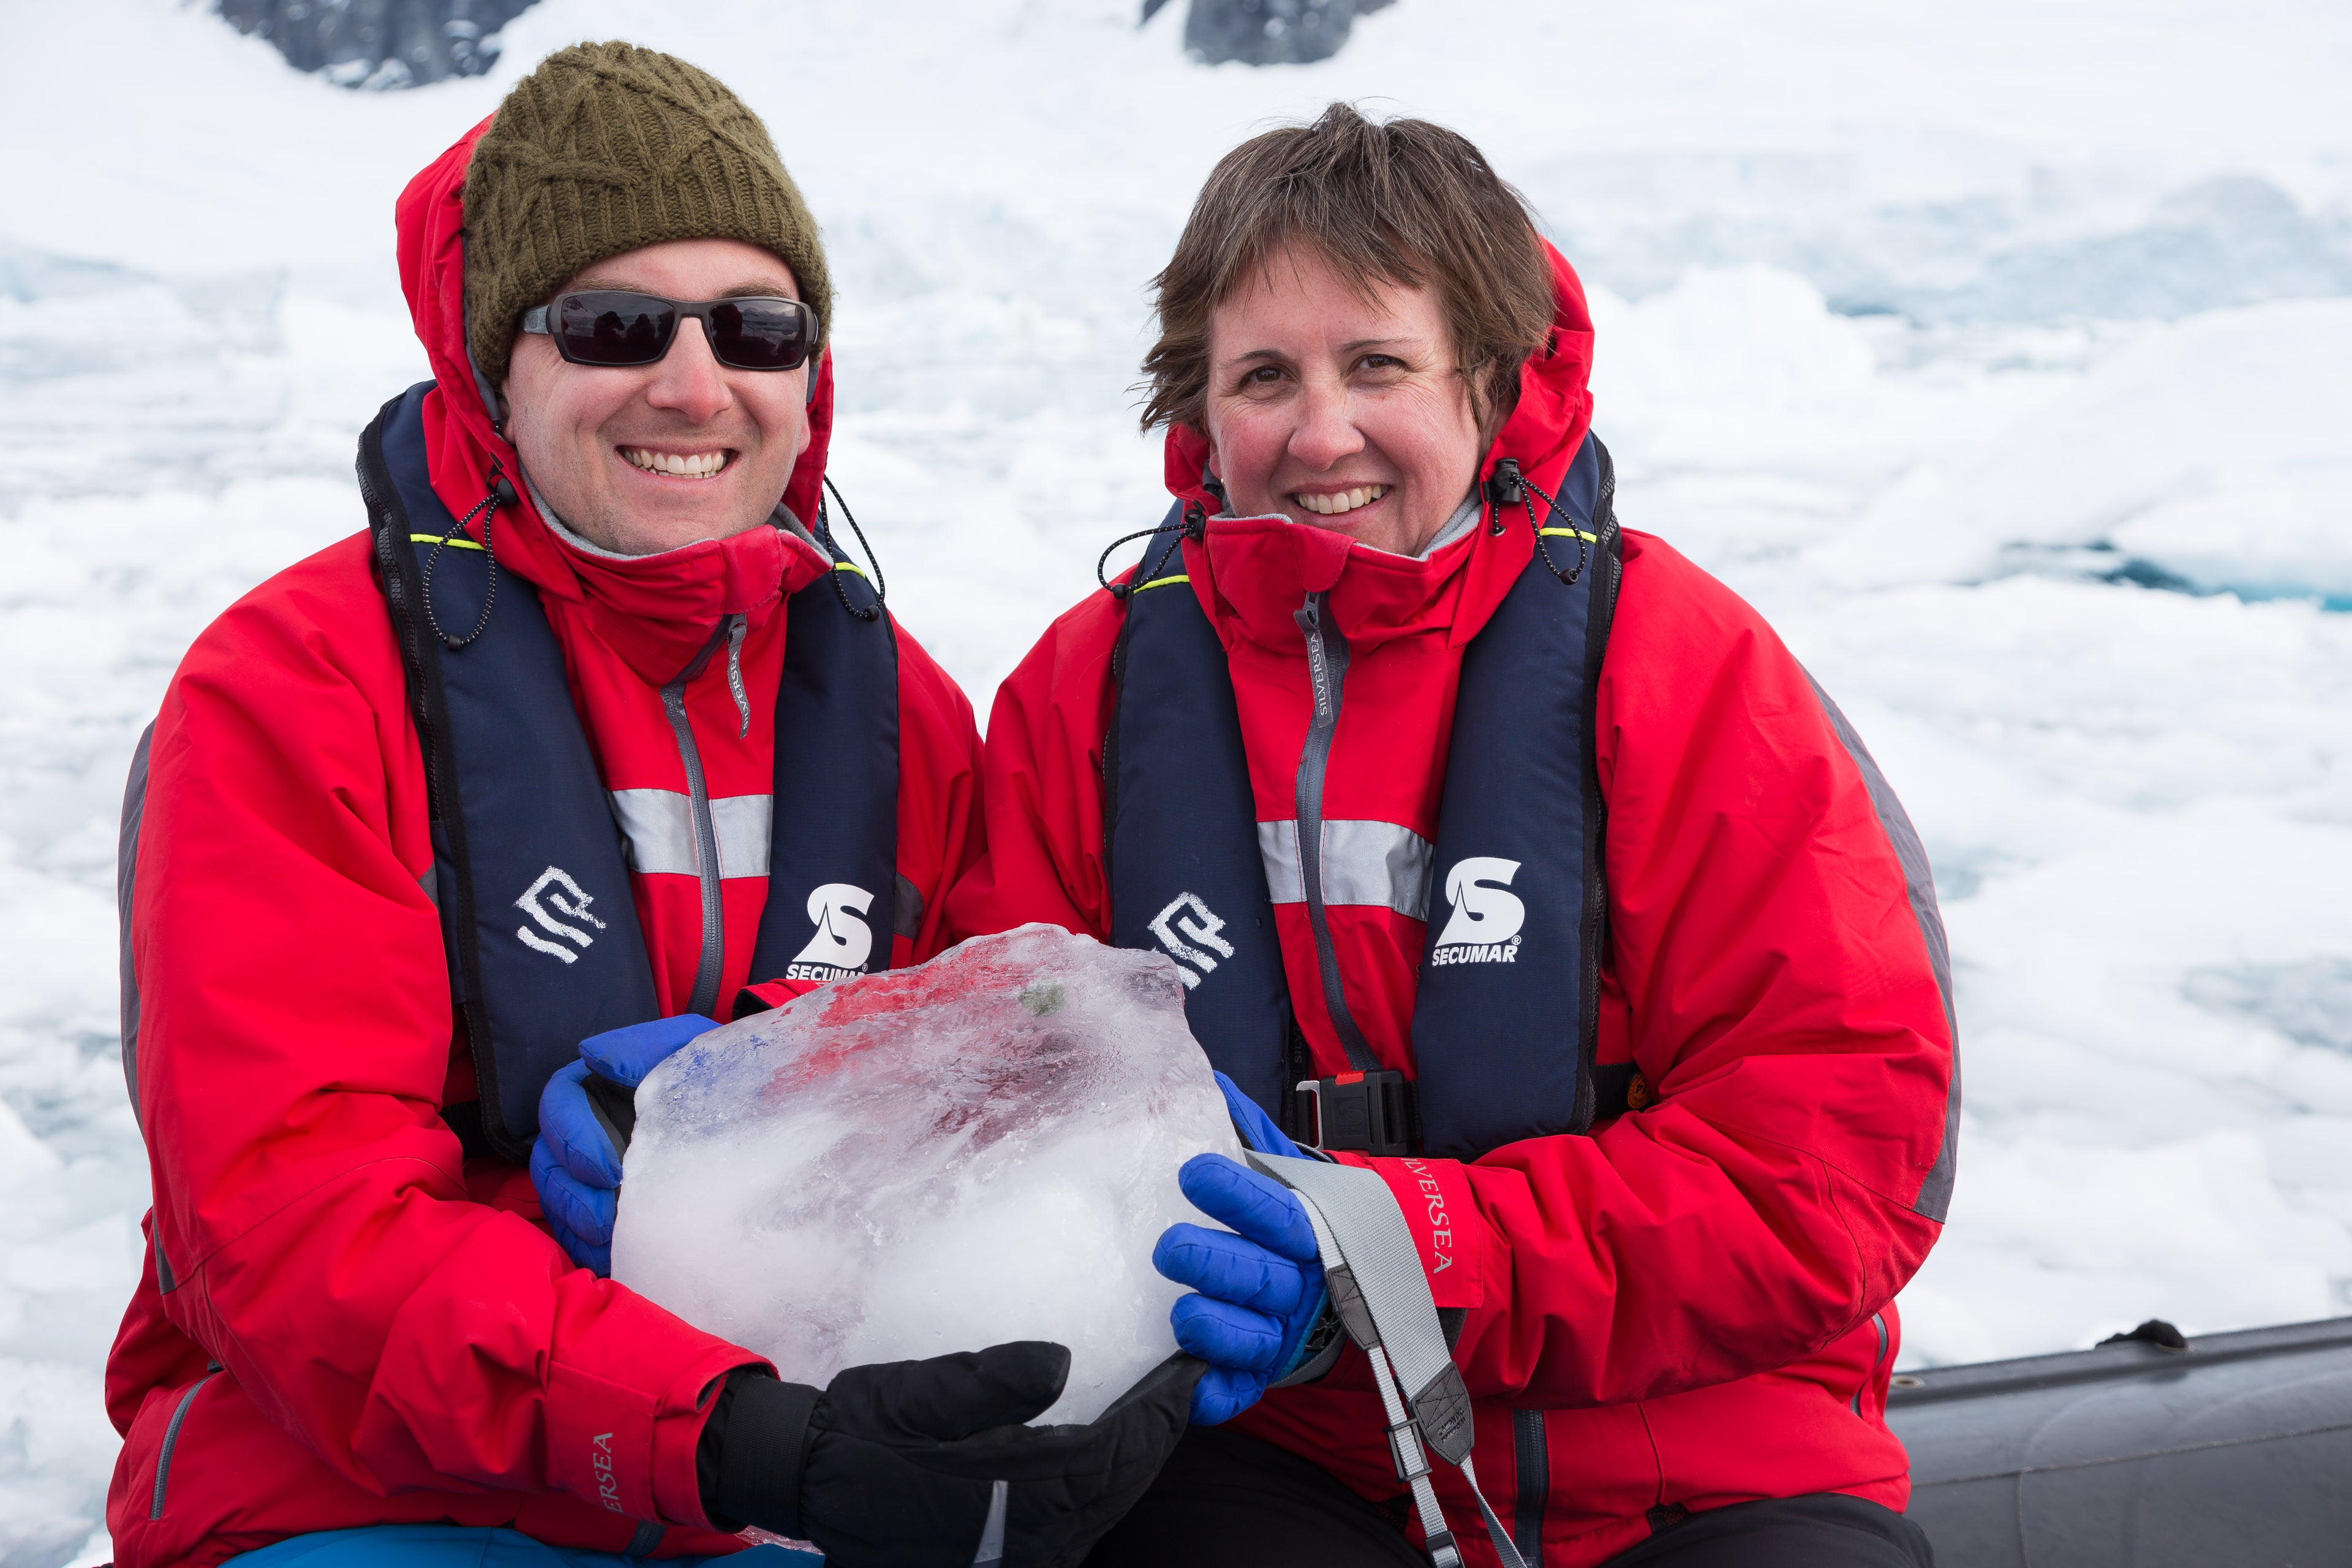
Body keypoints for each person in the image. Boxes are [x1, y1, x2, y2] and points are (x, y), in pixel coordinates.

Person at [106, 42, 1193, 1568]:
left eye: (756, 326)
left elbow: (1005, 1110)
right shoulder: (295, 693)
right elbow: (289, 1230)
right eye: (616, 324)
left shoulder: (905, 719)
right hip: (373, 1497)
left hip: (797, 1488)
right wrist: (734, 1432)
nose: (696, 383)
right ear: (496, 362)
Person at [944, 105, 1958, 1567]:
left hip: (1699, 1467)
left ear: (1490, 374)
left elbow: (1836, 1159)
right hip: (1291, 1457)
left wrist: (1413, 1253)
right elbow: (1006, 1100)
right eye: (1264, 377)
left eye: (1377, 364)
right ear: (1196, 407)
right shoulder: (1083, 697)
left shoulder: (1685, 670)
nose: (1319, 433)